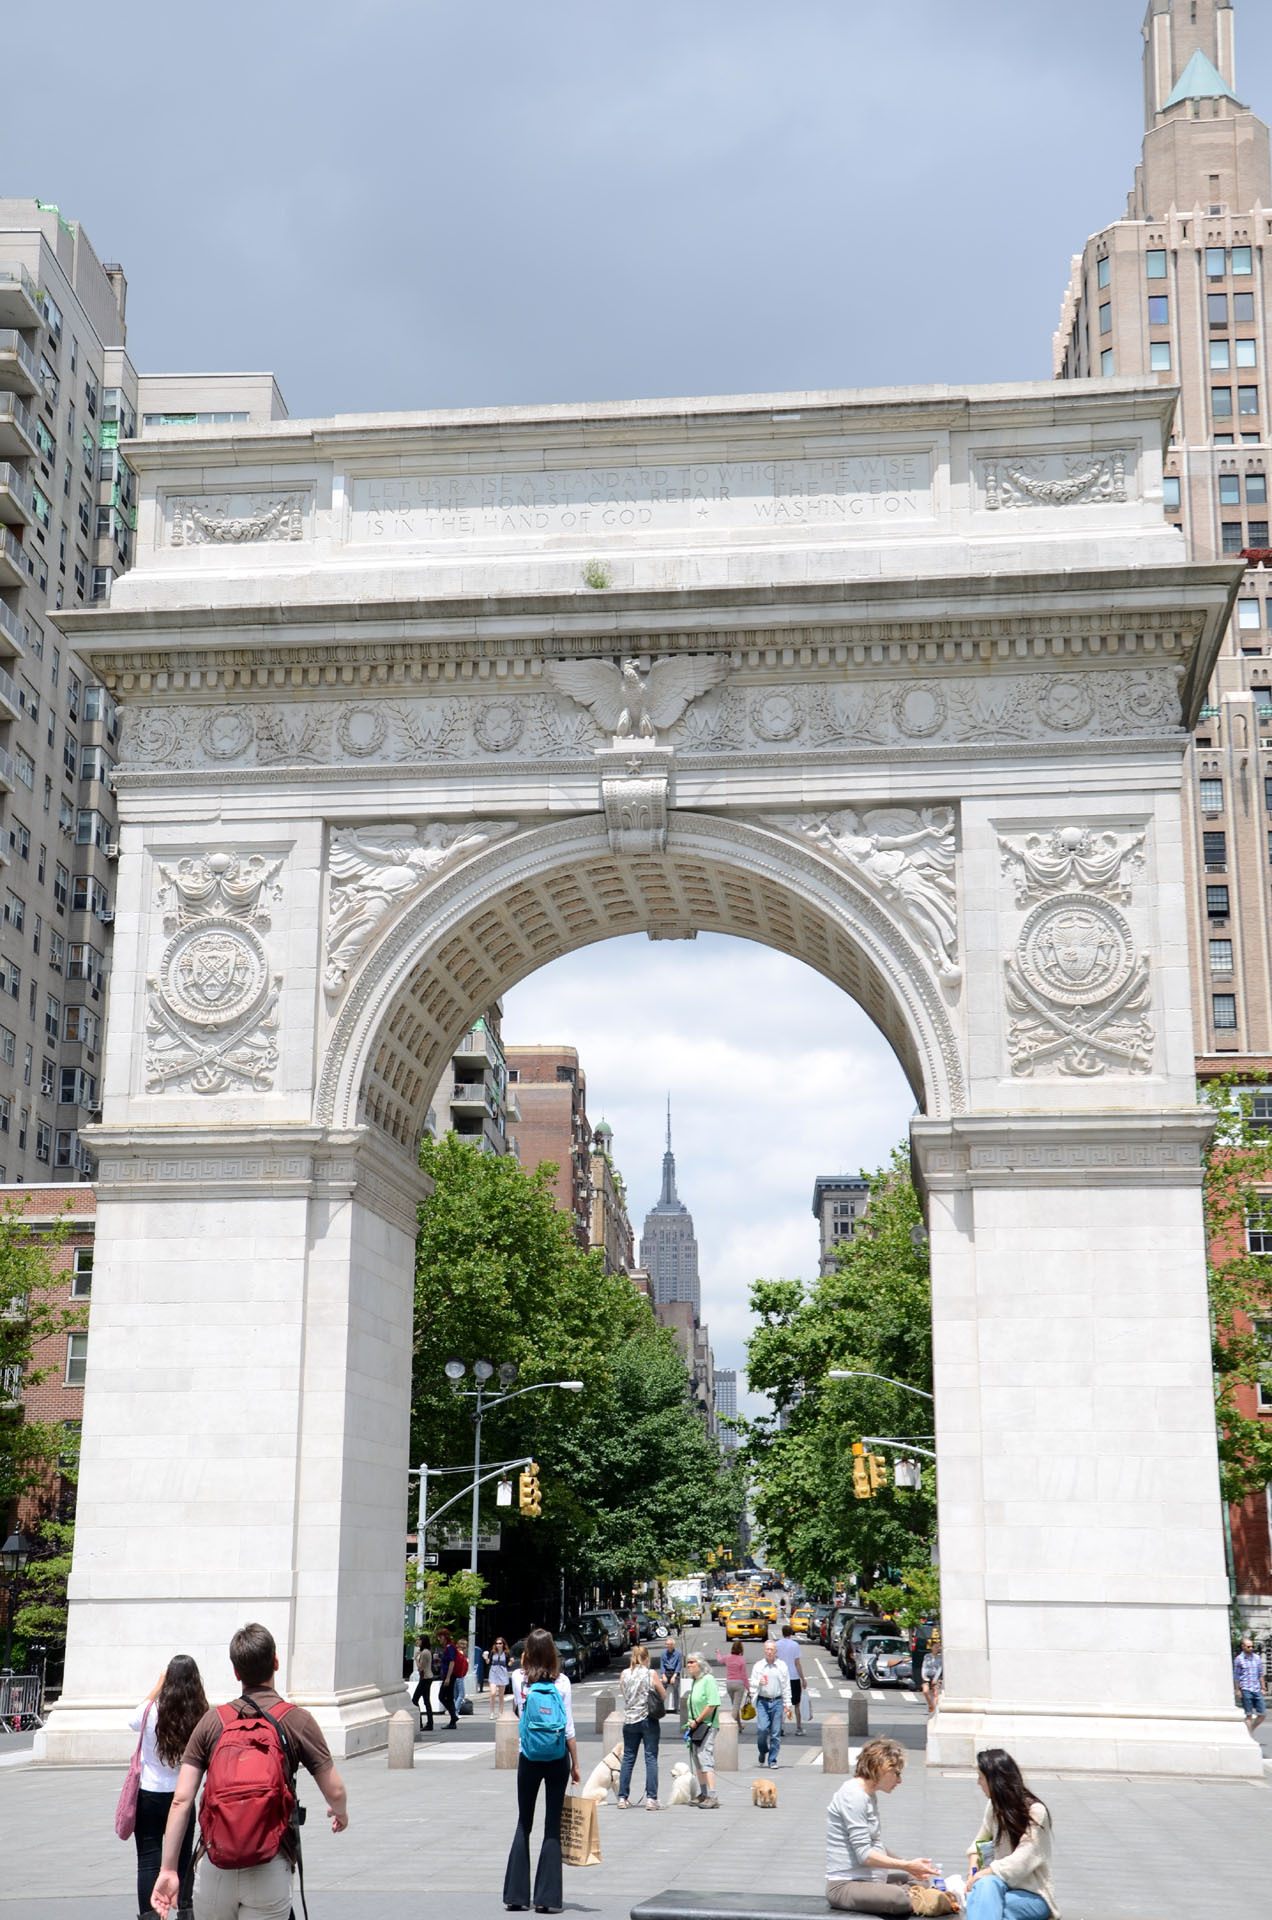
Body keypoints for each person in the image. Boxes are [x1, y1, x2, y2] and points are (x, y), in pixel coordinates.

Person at [149, 1622, 348, 1920]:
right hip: (270, 1864)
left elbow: (181, 1800)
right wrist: (339, 1811)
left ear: (236, 1672)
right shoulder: (297, 1721)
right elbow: (335, 1790)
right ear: (276, 1662)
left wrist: (168, 1869)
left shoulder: (212, 1722)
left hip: (215, 1864)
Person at [504, 1627, 581, 1913]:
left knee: (524, 1821)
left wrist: (526, 1658)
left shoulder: (519, 1680)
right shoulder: (562, 1683)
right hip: (557, 1757)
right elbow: (569, 1727)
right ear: (552, 1653)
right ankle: (547, 1898)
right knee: (552, 1826)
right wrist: (576, 1764)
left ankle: (516, 1895)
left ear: (527, 1653)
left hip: (529, 1756)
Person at [129, 1654, 209, 1920]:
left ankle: (150, 1915)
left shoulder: (151, 1710)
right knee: (183, 1860)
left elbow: (132, 1720)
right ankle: (186, 1912)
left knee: (148, 1860)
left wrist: (157, 1686)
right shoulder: (200, 1712)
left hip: (149, 1793)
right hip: (182, 1794)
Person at [825, 1735, 934, 1914]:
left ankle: (915, 1894)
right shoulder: (854, 1795)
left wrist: (910, 1865)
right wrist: (906, 1866)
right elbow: (865, 1855)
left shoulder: (868, 1795)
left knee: (920, 1879)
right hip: (846, 1884)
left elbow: (875, 1845)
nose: (899, 1781)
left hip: (870, 1880)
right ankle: (915, 1897)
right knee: (898, 1898)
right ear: (881, 1769)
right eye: (896, 1774)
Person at [964, 1747, 1057, 1920]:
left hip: (1032, 1893)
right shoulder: (994, 1806)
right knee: (987, 1898)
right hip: (998, 1886)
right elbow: (978, 1844)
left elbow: (1021, 1861)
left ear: (994, 1780)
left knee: (982, 1901)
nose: (978, 1783)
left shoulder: (1035, 1811)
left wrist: (982, 1874)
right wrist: (972, 1871)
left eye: (981, 1778)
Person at [616, 1642, 666, 1809]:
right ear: (646, 1658)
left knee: (628, 1758)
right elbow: (663, 1694)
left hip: (629, 1720)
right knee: (650, 1757)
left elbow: (623, 1692)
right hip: (647, 1719)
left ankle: (622, 1797)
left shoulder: (624, 1674)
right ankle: (651, 1798)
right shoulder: (650, 1674)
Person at [682, 1650, 720, 1809]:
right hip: (696, 1726)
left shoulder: (708, 1680)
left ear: (701, 1664)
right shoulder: (695, 1681)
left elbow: (712, 1704)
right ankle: (703, 1793)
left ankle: (712, 1795)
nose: (689, 1665)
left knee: (705, 1758)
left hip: (707, 1726)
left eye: (692, 1662)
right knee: (697, 1760)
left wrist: (697, 1720)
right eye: (688, 1662)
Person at [749, 1639, 791, 1769]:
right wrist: (758, 1682)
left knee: (775, 1732)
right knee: (762, 1729)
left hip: (777, 1701)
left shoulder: (782, 1666)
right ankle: (763, 1750)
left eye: (772, 1649)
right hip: (763, 1700)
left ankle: (772, 1760)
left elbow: (786, 1685)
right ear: (764, 1651)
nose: (769, 1652)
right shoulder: (759, 1666)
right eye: (767, 1649)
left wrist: (787, 1703)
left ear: (776, 1651)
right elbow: (752, 1683)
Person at [775, 1621, 807, 1734]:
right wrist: (803, 1678)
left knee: (782, 1703)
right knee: (796, 1704)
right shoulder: (795, 1645)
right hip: (793, 1677)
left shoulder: (777, 1645)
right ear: (791, 1633)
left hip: (781, 1677)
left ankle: (781, 1727)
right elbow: (797, 1663)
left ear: (783, 1633)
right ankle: (798, 1727)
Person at [1234, 1634, 1266, 1734]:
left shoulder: (1256, 1658)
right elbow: (1236, 1676)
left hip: (1256, 1689)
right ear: (1243, 1647)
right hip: (1246, 1688)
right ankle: (1250, 1735)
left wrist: (1263, 1687)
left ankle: (1250, 1730)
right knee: (1249, 1714)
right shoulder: (1239, 1659)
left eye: (1252, 1646)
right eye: (1248, 1646)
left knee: (1262, 1714)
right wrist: (1237, 1690)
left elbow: (1260, 1674)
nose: (1251, 1648)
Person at [715, 1636, 749, 1717]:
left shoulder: (727, 1657)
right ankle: (731, 1724)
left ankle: (739, 1725)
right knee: (736, 1707)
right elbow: (744, 1676)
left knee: (734, 1705)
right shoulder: (741, 1659)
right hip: (739, 1685)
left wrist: (718, 1653)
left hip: (729, 1683)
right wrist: (748, 1688)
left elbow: (719, 1660)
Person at [413, 1635, 434, 1732]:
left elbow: (420, 1668)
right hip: (427, 1677)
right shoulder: (426, 1652)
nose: (418, 1641)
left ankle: (421, 1722)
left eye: (419, 1640)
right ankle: (429, 1723)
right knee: (426, 1700)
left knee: (415, 1700)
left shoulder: (425, 1653)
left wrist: (416, 1659)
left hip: (425, 1678)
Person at [437, 1629, 458, 1729]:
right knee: (449, 1697)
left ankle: (453, 1716)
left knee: (442, 1696)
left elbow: (452, 1662)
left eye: (440, 1637)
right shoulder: (447, 1647)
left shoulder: (449, 1647)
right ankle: (453, 1719)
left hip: (449, 1676)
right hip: (449, 1675)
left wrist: (448, 1677)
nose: (439, 1639)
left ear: (445, 1637)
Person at [488, 1636, 512, 1718]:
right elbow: (489, 1662)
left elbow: (508, 1665)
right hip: (493, 1672)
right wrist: (485, 1658)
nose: (498, 1645)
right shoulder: (492, 1652)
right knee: (493, 1693)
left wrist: (511, 1662)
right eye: (497, 1643)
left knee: (501, 1695)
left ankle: (500, 1712)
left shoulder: (506, 1653)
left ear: (503, 1644)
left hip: (502, 1673)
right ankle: (491, 1712)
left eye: (500, 1643)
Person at [659, 1634, 683, 1715]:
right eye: (667, 1644)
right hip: (666, 1672)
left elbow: (679, 1665)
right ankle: (661, 1708)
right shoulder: (663, 1654)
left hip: (674, 1672)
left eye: (670, 1644)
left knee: (676, 1688)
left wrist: (674, 1676)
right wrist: (663, 1675)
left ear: (673, 1645)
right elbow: (662, 1665)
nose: (668, 1646)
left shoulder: (678, 1654)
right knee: (662, 1689)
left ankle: (676, 1708)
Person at [921, 1629, 943, 1715]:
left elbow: (940, 1668)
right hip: (927, 1675)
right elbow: (924, 1666)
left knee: (935, 1693)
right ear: (931, 1647)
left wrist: (936, 1678)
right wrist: (923, 1676)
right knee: (925, 1691)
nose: (937, 1649)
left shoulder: (940, 1657)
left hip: (935, 1676)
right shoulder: (927, 1656)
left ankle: (933, 1708)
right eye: (935, 1647)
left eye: (938, 1647)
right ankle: (930, 1705)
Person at [453, 1638, 470, 1717]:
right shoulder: (461, 1654)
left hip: (455, 1675)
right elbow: (461, 1666)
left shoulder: (456, 1653)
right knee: (461, 1694)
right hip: (459, 1676)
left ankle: (455, 1712)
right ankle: (455, 1711)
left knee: (456, 1695)